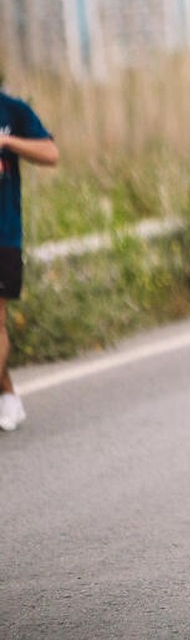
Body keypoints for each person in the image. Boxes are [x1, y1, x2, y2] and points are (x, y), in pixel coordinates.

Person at [0, 76, 59, 432]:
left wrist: (7, 142)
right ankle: (7, 392)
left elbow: (51, 153)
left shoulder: (11, 109)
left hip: (3, 233)